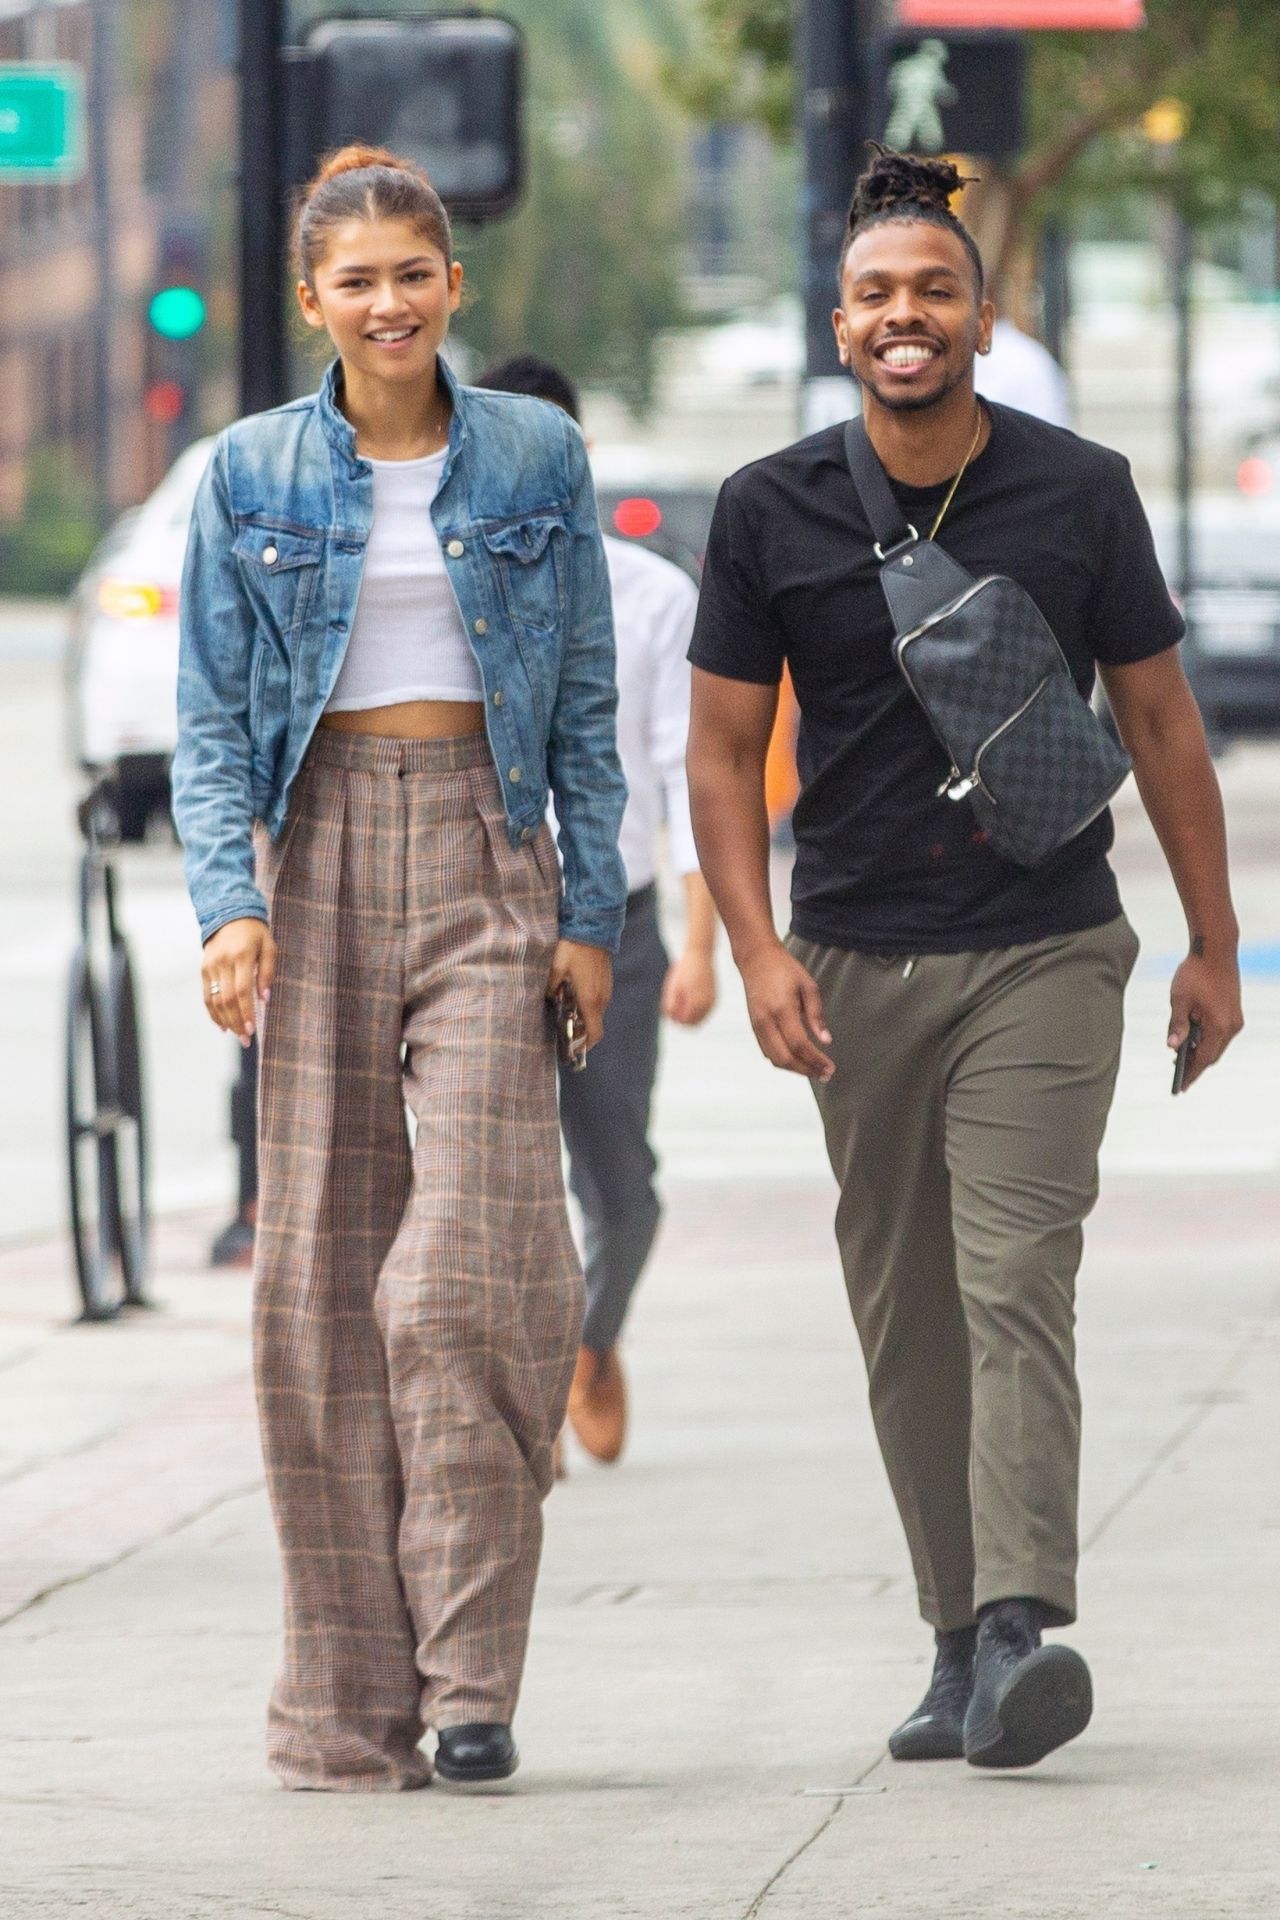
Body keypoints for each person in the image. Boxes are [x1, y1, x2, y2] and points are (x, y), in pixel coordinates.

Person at [687, 148, 1243, 1771]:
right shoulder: (767, 511)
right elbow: (722, 757)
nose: (906, 316)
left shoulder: (1081, 491)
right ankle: (955, 1643)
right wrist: (753, 948)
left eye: (936, 290)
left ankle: (1019, 1626)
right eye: (876, 295)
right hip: (854, 959)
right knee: (908, 1315)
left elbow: (1159, 721)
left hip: (1046, 943)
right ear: (840, 325)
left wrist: (1213, 945)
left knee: (1013, 1276)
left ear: (984, 322)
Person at [171, 145, 627, 1792]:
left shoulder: (535, 457)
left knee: (466, 1278)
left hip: (492, 854)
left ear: (455, 285)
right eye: (353, 281)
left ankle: (470, 1683)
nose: (386, 301)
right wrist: (233, 905)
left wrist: (595, 916)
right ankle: (347, 1707)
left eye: (411, 273)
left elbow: (581, 703)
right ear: (314, 304)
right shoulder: (247, 476)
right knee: (313, 1292)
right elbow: (213, 726)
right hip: (318, 863)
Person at [475, 356, 718, 1465]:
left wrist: (701, 947)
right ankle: (510, 1397)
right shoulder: (443, 585)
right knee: (488, 1187)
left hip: (612, 922)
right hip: (477, 927)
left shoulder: (653, 597)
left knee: (623, 1192)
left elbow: (684, 777)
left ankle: (588, 1339)